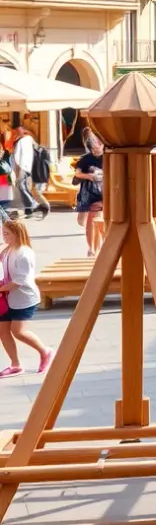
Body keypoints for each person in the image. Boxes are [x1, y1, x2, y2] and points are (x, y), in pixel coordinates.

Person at [0, 220, 52, 378]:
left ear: (17, 234)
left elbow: (18, 282)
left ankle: (45, 351)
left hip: (24, 298)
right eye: (3, 232)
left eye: (6, 233)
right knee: (3, 332)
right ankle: (15, 365)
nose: (4, 236)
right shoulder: (9, 249)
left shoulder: (24, 254)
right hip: (7, 298)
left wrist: (0, 289)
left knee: (18, 331)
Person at [74, 137, 105, 257]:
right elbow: (77, 173)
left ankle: (93, 248)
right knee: (84, 221)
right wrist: (90, 176)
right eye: (95, 143)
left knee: (94, 220)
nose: (97, 145)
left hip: (101, 193)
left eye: (99, 143)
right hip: (87, 192)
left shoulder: (108, 157)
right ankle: (93, 247)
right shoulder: (85, 159)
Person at [11, 127, 48, 220]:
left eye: (15, 132)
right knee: (25, 187)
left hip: (23, 167)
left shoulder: (21, 142)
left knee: (21, 186)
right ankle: (29, 208)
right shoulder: (30, 139)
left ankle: (31, 206)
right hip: (29, 167)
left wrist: (17, 172)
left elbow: (17, 159)